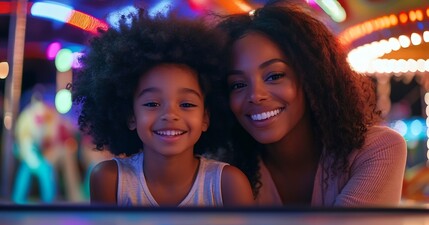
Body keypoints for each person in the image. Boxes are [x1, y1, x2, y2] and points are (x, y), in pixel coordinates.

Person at [216, 0, 407, 207]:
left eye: (274, 76)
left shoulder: (378, 149)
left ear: (312, 77)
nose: (255, 95)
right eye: (238, 84)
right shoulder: (221, 167)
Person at [70, 10, 254, 207]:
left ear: (205, 118)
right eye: (152, 104)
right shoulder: (110, 180)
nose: (170, 115)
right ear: (131, 116)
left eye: (186, 104)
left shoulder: (228, 184)